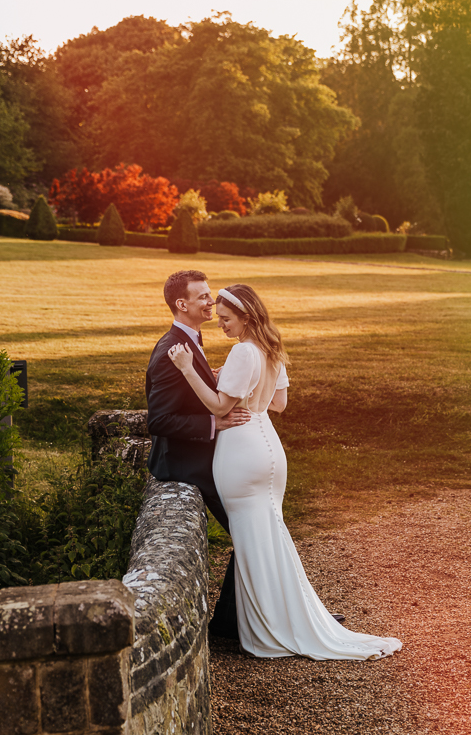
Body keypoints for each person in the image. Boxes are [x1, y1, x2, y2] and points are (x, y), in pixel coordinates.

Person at [166, 283, 401, 660]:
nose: (221, 324)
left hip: (241, 451)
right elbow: (278, 403)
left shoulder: (243, 351)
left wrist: (188, 369)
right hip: (269, 449)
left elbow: (220, 407)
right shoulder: (270, 348)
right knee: (269, 534)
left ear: (245, 317)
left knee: (252, 540)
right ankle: (283, 616)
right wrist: (233, 380)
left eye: (226, 319)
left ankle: (270, 626)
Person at [145, 269, 250, 638]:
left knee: (255, 527)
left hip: (203, 458)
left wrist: (213, 378)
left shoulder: (189, 338)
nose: (211, 301)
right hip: (187, 464)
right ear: (182, 304)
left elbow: (188, 392)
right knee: (250, 528)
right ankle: (232, 625)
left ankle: (244, 620)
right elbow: (158, 420)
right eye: (203, 296)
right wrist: (214, 424)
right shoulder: (169, 351)